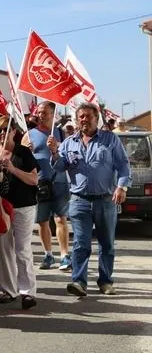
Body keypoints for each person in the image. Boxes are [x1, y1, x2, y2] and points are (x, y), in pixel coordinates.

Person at [49, 102, 131, 297]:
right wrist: (53, 152)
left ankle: (105, 281)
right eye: (81, 116)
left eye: (88, 116)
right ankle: (79, 282)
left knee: (107, 244)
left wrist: (122, 187)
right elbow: (60, 167)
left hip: (105, 200)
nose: (84, 119)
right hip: (79, 200)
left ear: (96, 118)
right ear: (77, 120)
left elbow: (123, 165)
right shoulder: (69, 142)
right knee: (80, 243)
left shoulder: (110, 140)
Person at [0, 116, 39, 310]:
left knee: (22, 249)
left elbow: (34, 180)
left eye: (6, 130)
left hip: (23, 207)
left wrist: (13, 169)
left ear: (14, 132)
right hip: (2, 207)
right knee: (4, 250)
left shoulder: (23, 153)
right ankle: (9, 290)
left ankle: (27, 292)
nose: (3, 133)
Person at [22, 101, 71, 271]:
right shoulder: (29, 134)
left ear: (53, 114)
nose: (41, 115)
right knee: (43, 221)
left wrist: (57, 147)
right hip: (41, 182)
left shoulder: (61, 134)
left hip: (60, 181)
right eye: (39, 112)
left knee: (61, 219)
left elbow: (68, 156)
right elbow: (21, 159)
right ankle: (48, 255)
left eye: (45, 112)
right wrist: (26, 151)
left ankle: (64, 255)